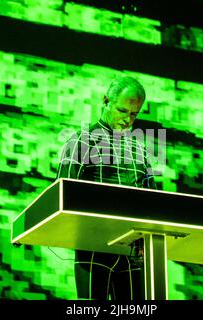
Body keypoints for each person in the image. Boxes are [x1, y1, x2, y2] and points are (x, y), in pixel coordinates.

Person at [56, 76, 158, 300]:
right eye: (122, 110)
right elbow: (61, 198)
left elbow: (155, 205)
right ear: (106, 100)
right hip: (93, 249)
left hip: (132, 254)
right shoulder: (80, 143)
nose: (127, 120)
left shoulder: (139, 152)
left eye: (134, 114)